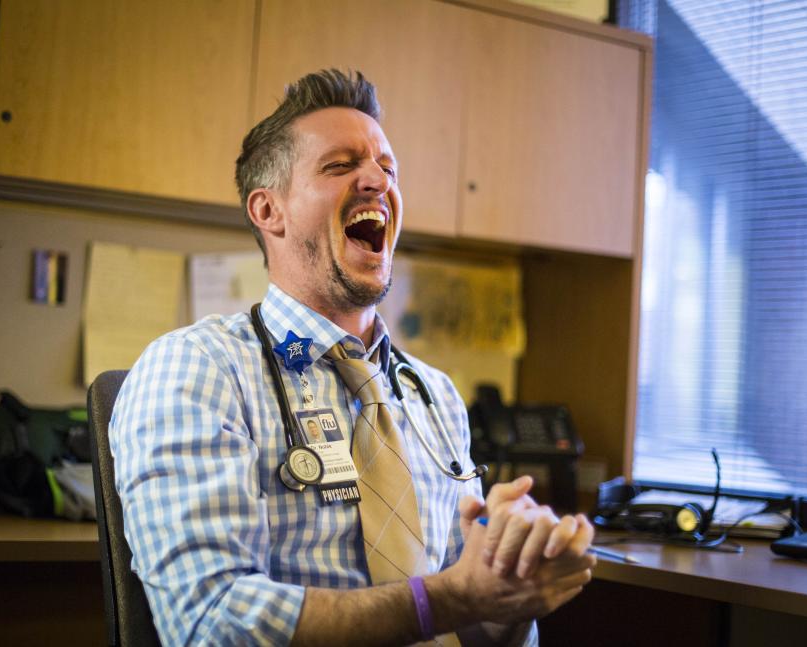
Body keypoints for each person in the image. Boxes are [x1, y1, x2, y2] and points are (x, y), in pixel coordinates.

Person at [110, 69, 595, 646]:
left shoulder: (432, 395)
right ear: (269, 211)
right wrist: (452, 598)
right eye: (340, 166)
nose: (376, 180)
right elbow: (212, 624)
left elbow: (465, 616)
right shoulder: (198, 370)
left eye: (387, 168)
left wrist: (509, 594)